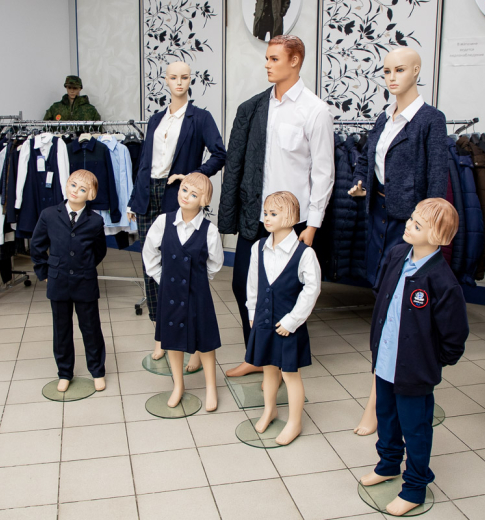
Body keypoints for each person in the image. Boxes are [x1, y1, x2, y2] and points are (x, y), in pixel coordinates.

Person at [219, 35, 334, 378]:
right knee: (243, 286)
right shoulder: (255, 108)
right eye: (267, 58)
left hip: (292, 223)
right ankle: (256, 355)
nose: (267, 64)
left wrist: (312, 225)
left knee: (285, 294)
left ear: (295, 61)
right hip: (256, 215)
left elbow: (323, 172)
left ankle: (283, 364)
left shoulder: (315, 110)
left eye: (274, 59)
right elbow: (240, 163)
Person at [348, 47, 448, 436]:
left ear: (417, 71)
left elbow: (437, 179)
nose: (391, 77)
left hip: (410, 226)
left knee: (400, 311)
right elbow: (366, 157)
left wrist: (429, 233)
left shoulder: (430, 120)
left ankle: (381, 400)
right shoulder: (383, 117)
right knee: (384, 305)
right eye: (387, 70)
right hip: (379, 217)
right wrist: (360, 182)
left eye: (400, 69)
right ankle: (385, 392)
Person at [360, 198, 468, 517]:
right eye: (411, 219)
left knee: (416, 428)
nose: (408, 225)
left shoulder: (443, 281)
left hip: (415, 372)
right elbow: (382, 295)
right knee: (386, 417)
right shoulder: (397, 255)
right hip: (385, 362)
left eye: (417, 225)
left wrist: (430, 361)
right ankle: (388, 463)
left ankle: (415, 487)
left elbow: (454, 336)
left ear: (437, 237)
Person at [128, 61, 226, 368]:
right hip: (148, 193)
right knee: (151, 264)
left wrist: (193, 176)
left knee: (183, 268)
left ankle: (194, 342)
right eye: (173, 77)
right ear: (166, 80)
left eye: (184, 77)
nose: (179, 82)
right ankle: (161, 335)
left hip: (177, 194)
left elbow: (220, 153)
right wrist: (133, 199)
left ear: (190, 80)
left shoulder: (201, 117)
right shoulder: (156, 119)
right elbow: (144, 161)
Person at [142, 173, 224, 412]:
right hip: (170, 294)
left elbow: (215, 263)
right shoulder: (163, 222)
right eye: (184, 189)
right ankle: (178, 385)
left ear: (204, 200)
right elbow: (149, 254)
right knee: (173, 340)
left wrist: (197, 281)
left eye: (194, 194)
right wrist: (163, 279)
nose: (186, 196)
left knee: (205, 341)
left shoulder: (210, 230)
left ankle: (211, 387)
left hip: (198, 294)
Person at [245, 191, 321, 445]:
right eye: (265, 213)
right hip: (263, 321)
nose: (267, 218)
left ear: (289, 217)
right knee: (268, 369)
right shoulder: (258, 248)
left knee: (290, 374)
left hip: (289, 324)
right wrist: (252, 313)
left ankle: (295, 422)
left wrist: (292, 321)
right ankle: (270, 410)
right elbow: (253, 284)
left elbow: (312, 290)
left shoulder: (304, 253)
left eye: (274, 214)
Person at [30, 170, 108, 393]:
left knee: (91, 328)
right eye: (73, 185)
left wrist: (85, 266)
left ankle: (97, 370)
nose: (76, 191)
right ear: (66, 185)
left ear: (91, 195)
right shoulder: (49, 215)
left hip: (85, 282)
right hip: (58, 281)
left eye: (82, 189)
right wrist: (44, 271)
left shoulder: (95, 221)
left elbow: (99, 250)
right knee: (61, 329)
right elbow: (36, 245)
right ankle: (64, 372)